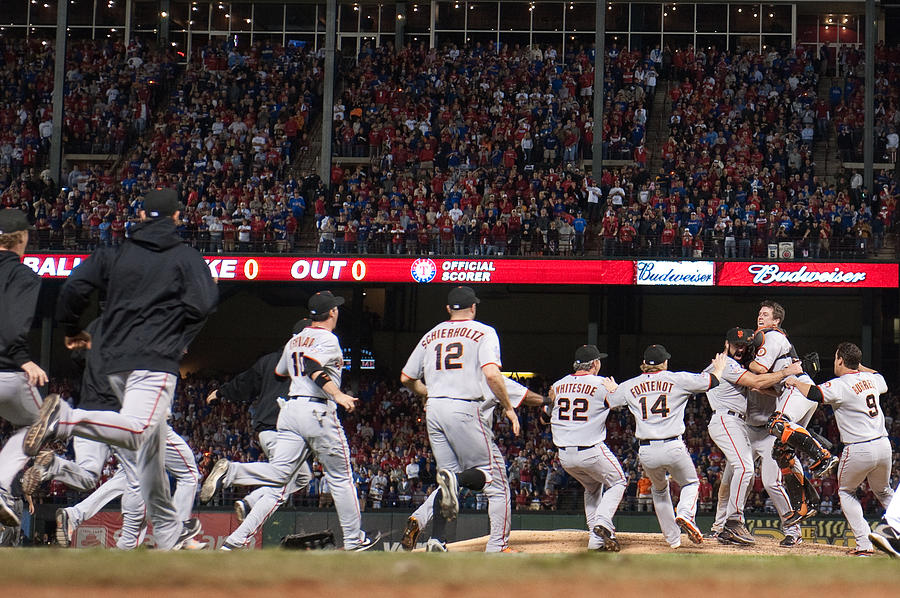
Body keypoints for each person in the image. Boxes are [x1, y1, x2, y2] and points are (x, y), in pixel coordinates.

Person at [25, 188, 218, 551]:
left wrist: (71, 330)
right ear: (178, 218)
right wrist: (178, 335)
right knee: (140, 433)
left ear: (142, 217)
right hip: (154, 359)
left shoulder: (114, 253)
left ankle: (168, 537)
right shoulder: (186, 257)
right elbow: (205, 303)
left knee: (149, 456)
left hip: (115, 363)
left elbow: (74, 289)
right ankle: (64, 419)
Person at [200, 291, 379, 551]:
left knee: (283, 473)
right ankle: (353, 539)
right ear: (332, 312)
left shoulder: (294, 341)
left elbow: (281, 371)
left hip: (289, 411)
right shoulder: (328, 338)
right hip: (316, 409)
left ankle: (232, 472)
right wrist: (339, 394)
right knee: (341, 478)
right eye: (336, 308)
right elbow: (312, 366)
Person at [21, 317, 204, 549]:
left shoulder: (99, 325)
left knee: (92, 476)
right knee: (154, 476)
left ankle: (59, 476)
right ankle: (157, 537)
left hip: (89, 405)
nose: (186, 348)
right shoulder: (146, 330)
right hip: (125, 416)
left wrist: (97, 363)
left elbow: (78, 355)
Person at [400, 286, 520, 552]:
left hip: (434, 410)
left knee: (451, 478)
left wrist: (428, 392)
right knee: (497, 481)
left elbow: (406, 378)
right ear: (474, 308)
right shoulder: (484, 331)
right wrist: (508, 407)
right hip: (464, 408)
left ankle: (436, 540)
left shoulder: (431, 335)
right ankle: (497, 547)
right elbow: (491, 374)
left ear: (447, 310)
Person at [205, 319, 314, 548]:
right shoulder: (305, 363)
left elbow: (245, 383)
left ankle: (250, 501)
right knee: (278, 492)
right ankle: (235, 540)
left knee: (303, 477)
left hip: (267, 430)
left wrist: (221, 392)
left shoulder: (269, 360)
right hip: (284, 433)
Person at [402, 375, 543, 553]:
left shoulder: (451, 375)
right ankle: (497, 545)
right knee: (499, 488)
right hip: (474, 434)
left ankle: (418, 519)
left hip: (446, 433)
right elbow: (525, 396)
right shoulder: (488, 374)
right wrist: (546, 399)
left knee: (451, 485)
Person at [608, 345, 726, 548]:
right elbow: (712, 382)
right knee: (690, 483)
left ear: (644, 364)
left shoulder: (630, 385)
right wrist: (719, 367)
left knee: (659, 490)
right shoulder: (676, 378)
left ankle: (673, 540)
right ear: (664, 362)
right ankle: (685, 513)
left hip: (646, 450)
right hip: (672, 445)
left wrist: (613, 388)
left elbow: (609, 401)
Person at [785, 342, 893, 556]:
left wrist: (794, 381)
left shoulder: (840, 384)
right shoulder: (872, 380)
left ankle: (864, 544)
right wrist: (859, 366)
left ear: (841, 361)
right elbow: (881, 377)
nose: (835, 361)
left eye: (836, 358)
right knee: (884, 491)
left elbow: (815, 394)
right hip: (883, 445)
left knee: (846, 491)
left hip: (858, 449)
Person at [704, 328, 802, 546]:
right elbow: (756, 384)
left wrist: (779, 377)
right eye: (736, 344)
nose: (740, 349)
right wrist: (782, 374)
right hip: (742, 427)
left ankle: (793, 530)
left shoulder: (752, 366)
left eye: (744, 346)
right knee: (729, 482)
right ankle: (722, 527)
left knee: (772, 483)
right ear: (726, 344)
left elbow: (771, 390)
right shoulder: (732, 366)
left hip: (768, 432)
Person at [751, 300, 839, 525]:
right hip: (797, 392)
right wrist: (761, 384)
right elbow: (768, 384)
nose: (761, 317)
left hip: (796, 389)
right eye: (760, 314)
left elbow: (759, 369)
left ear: (776, 320)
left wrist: (743, 365)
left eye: (766, 314)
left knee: (777, 424)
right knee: (780, 451)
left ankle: (823, 454)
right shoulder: (776, 338)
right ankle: (804, 503)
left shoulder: (772, 336)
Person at [0, 209, 49, 527]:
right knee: (40, 423)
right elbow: (12, 322)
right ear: (21, 238)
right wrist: (23, 357)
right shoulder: (23, 275)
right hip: (8, 374)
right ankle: (2, 484)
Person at [549, 345, 624, 551]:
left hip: (564, 456)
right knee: (618, 481)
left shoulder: (558, 385)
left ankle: (596, 540)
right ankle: (602, 522)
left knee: (592, 488)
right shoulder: (600, 383)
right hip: (590, 450)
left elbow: (546, 411)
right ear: (595, 364)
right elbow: (619, 403)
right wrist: (615, 390)